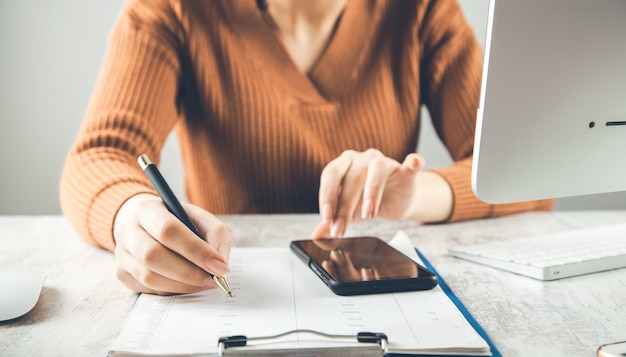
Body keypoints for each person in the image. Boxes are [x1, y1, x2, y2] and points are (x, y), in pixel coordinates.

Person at [60, 0, 552, 295]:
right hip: (230, 288)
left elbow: (527, 167)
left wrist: (415, 196)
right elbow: (100, 155)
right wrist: (133, 214)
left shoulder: (422, 10)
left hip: (374, 294)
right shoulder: (175, 10)